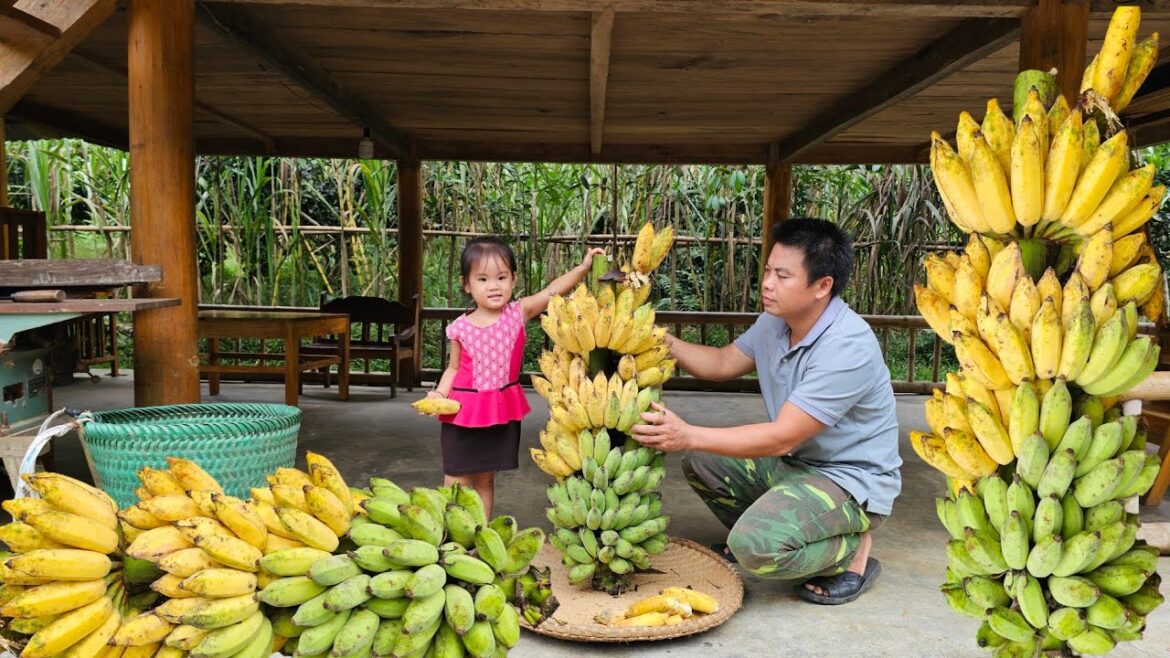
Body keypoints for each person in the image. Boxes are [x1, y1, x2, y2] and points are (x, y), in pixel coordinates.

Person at [631, 217, 900, 606]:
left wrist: (687, 433)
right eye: (768, 270)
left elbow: (782, 437)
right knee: (703, 461)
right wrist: (657, 337)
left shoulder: (847, 346)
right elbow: (721, 363)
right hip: (797, 464)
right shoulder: (775, 322)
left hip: (849, 482)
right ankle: (774, 528)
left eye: (783, 276)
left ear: (822, 286)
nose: (768, 283)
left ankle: (850, 552)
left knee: (755, 549)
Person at [426, 237, 604, 517]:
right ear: (466, 284)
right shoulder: (459, 327)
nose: (494, 286)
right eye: (482, 279)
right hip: (462, 412)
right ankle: (452, 534)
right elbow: (453, 368)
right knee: (455, 478)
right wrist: (438, 394)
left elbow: (551, 291)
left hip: (498, 411)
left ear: (513, 279)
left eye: (501, 277)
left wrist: (582, 269)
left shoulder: (517, 313)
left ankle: (481, 532)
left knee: (485, 478)